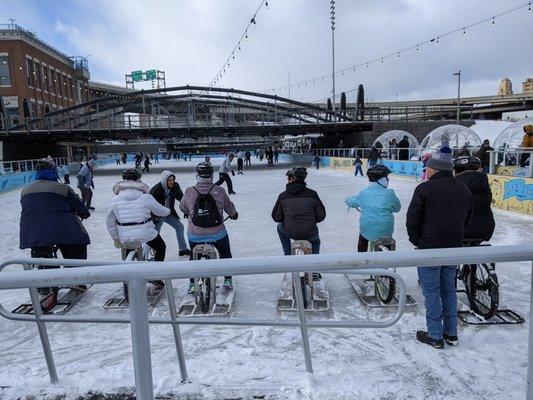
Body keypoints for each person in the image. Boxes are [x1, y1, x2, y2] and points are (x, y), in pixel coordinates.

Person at [406, 147, 472, 349]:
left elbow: (412, 220)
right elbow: (466, 219)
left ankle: (435, 335)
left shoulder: (424, 189)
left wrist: (418, 241)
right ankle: (451, 332)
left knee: (432, 292)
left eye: (428, 168)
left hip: (429, 248)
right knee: (449, 290)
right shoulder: (464, 189)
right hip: (453, 248)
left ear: (433, 169)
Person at [20, 158, 91, 311]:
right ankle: (75, 279)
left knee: (41, 255)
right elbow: (79, 207)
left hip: (33, 232)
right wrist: (84, 213)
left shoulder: (25, 190)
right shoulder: (62, 188)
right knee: (76, 247)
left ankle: (45, 288)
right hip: (63, 229)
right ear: (54, 172)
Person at [179, 162, 238, 293]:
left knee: (194, 256)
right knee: (225, 252)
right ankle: (227, 279)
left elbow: (182, 207)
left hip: (195, 233)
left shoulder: (189, 191)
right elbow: (230, 208)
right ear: (212, 175)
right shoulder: (220, 190)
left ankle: (192, 284)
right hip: (217, 232)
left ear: (197, 175)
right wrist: (234, 215)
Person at [106, 169, 170, 264]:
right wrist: (168, 211)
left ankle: (129, 275)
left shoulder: (115, 200)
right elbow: (161, 211)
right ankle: (156, 276)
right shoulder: (146, 197)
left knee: (127, 256)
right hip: (145, 234)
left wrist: (116, 238)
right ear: (139, 179)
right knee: (161, 247)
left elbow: (110, 222)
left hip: (125, 236)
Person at [271, 166, 326, 257]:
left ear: (291, 179)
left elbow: (276, 217)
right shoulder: (313, 194)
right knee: (315, 239)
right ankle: (316, 265)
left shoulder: (283, 196)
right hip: (310, 232)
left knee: (279, 227)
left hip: (290, 232)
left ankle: (288, 255)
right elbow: (321, 216)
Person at [345, 165, 401, 252]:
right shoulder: (389, 194)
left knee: (363, 239)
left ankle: (361, 257)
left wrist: (347, 200)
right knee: (385, 245)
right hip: (385, 231)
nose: (387, 180)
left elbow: (353, 202)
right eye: (386, 178)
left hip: (366, 230)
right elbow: (397, 208)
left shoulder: (363, 193)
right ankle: (387, 257)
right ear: (381, 180)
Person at [453, 156, 495, 242]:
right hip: (485, 228)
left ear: (456, 170)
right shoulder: (483, 181)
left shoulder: (453, 184)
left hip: (460, 229)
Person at [150, 170, 191, 257]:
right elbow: (150, 205)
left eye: (173, 179)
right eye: (169, 180)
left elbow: (181, 198)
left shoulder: (175, 186)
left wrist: (186, 209)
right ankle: (155, 252)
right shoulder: (156, 189)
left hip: (169, 214)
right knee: (155, 233)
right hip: (158, 215)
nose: (172, 182)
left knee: (180, 227)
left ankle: (182, 249)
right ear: (164, 180)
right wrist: (154, 217)